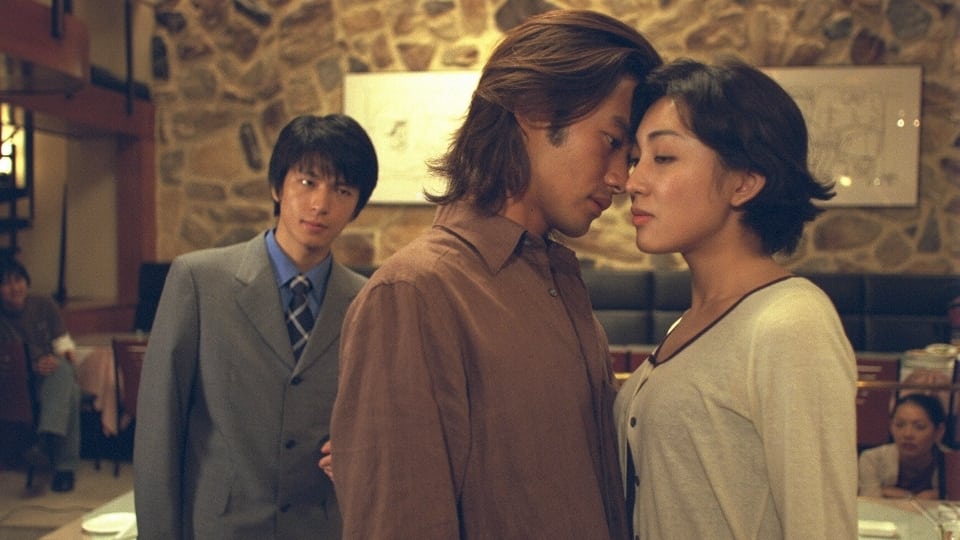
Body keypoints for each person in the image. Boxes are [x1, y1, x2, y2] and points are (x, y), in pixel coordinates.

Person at [329, 9, 661, 539]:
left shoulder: (556, 283)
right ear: (533, 110)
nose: (621, 177)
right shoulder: (414, 294)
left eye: (634, 156)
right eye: (611, 142)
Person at [615, 59, 858, 539]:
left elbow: (820, 525)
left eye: (663, 157)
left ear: (744, 182)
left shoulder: (791, 322)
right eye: (635, 158)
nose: (633, 182)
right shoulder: (691, 322)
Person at [133, 114, 378, 539]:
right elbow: (159, 429)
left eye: (342, 190)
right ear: (276, 187)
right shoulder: (199, 281)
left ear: (357, 206)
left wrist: (363, 450)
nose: (321, 204)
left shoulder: (367, 302)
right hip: (221, 526)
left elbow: (379, 417)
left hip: (321, 527)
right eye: (307, 182)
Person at [0, 256, 81, 493]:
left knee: (63, 370)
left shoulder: (44, 305)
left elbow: (64, 345)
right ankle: (64, 468)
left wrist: (57, 358)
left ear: (26, 282)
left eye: (18, 280)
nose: (14, 288)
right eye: (6, 283)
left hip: (51, 375)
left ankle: (45, 440)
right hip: (16, 383)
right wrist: (31, 366)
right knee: (72, 393)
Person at [859, 393, 950, 500]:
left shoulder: (953, 462)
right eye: (899, 425)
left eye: (919, 427)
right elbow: (869, 501)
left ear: (939, 431)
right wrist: (912, 497)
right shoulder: (872, 459)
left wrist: (888, 492)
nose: (907, 434)